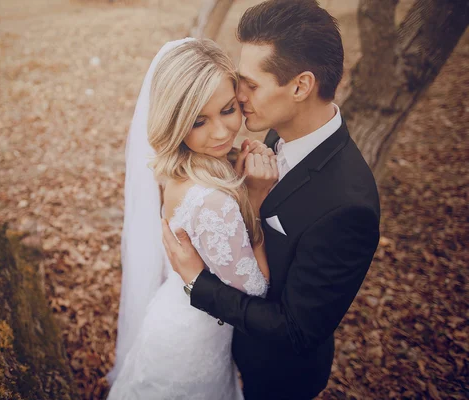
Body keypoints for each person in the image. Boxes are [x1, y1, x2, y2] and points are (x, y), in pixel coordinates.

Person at [162, 1, 381, 399]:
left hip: (276, 375)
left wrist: (197, 282)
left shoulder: (350, 206)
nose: (237, 94)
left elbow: (295, 329)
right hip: (225, 348)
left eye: (251, 84)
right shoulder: (279, 132)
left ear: (300, 86)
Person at [106, 38, 278, 399]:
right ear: (175, 121)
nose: (220, 132)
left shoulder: (180, 166)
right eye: (199, 121)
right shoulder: (211, 200)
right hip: (189, 350)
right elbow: (256, 290)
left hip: (179, 317)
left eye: (228, 110)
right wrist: (257, 198)